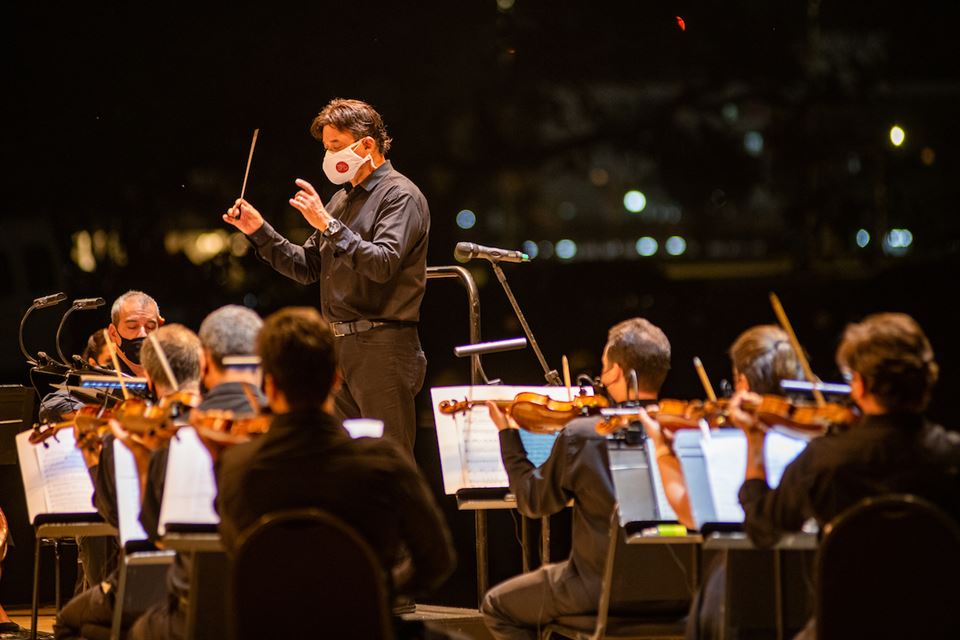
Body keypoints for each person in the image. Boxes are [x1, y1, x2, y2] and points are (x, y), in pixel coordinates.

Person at [213, 307, 454, 635]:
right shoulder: (382, 462)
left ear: (268, 387)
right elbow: (437, 560)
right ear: (336, 379)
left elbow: (239, 558)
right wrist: (376, 591)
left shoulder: (236, 467)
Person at [729, 313, 960, 638]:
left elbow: (762, 528)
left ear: (861, 385)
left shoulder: (824, 460)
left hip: (845, 628)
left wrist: (755, 443)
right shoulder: (952, 457)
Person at [223, 98, 429, 453]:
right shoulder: (340, 200)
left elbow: (382, 263)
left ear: (367, 144)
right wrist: (260, 231)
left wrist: (330, 225)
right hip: (339, 347)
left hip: (383, 344)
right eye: (326, 147)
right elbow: (308, 268)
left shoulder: (400, 195)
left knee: (388, 457)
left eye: (335, 145)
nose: (329, 155)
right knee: (340, 457)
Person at [481, 317, 682, 640]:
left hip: (600, 589)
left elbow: (533, 501)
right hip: (681, 589)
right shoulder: (684, 430)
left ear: (616, 371)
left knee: (497, 606)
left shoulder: (585, 435)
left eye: (604, 366)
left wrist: (508, 436)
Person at [636, 324, 803, 640]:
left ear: (742, 381)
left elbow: (689, 513)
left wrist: (662, 450)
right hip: (806, 599)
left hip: (742, 601)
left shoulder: (735, 444)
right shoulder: (811, 441)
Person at [126, 306, 266, 640]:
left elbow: (154, 536)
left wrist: (143, 462)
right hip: (283, 616)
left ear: (203, 362)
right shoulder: (295, 431)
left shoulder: (174, 433)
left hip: (198, 615)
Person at [53, 323, 197, 640]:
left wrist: (94, 461)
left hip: (162, 584)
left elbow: (122, 518)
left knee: (69, 621)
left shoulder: (144, 440)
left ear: (150, 375)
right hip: (221, 588)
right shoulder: (223, 429)